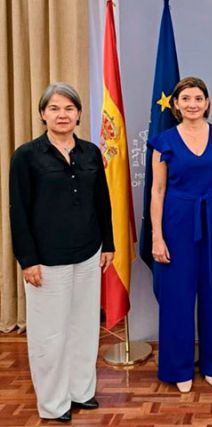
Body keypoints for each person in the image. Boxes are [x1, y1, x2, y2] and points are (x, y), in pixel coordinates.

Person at [9, 83, 114, 422]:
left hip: (87, 253)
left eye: (69, 108)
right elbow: (19, 211)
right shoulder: (26, 156)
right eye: (54, 108)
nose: (62, 114)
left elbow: (103, 203)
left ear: (79, 114)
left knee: (83, 327)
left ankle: (80, 392)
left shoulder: (90, 153)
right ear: (43, 114)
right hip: (46, 260)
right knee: (49, 335)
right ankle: (54, 404)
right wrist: (28, 260)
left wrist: (108, 244)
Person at [149, 76, 212, 392]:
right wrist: (157, 237)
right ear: (175, 104)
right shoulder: (164, 141)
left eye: (198, 98)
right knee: (177, 297)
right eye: (185, 98)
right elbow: (157, 190)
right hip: (176, 221)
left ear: (207, 102)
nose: (192, 104)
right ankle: (178, 368)